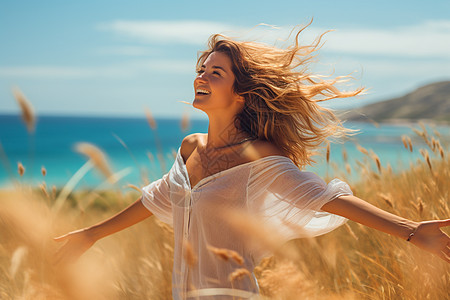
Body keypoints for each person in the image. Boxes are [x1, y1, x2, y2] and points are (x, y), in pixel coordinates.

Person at [54, 26, 450, 299]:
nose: (201, 77)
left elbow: (323, 198)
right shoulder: (190, 147)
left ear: (240, 93)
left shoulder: (259, 155)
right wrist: (90, 234)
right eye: (202, 70)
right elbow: (155, 199)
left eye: (216, 72)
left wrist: (412, 230)